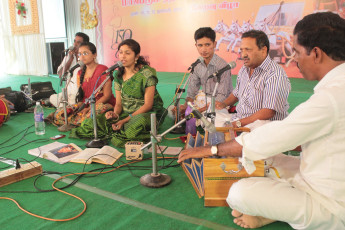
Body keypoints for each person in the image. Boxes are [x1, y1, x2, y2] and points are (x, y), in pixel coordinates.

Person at [178, 12, 345, 229]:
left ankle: (281, 209)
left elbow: (273, 123)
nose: (293, 59)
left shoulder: (330, 97)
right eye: (242, 49)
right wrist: (222, 110)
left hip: (331, 203)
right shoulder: (334, 89)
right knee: (270, 160)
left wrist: (212, 150)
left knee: (238, 192)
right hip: (318, 169)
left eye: (295, 52)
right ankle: (275, 208)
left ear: (316, 53)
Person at [70, 39, 166, 147]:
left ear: (137, 56)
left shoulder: (147, 74)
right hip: (125, 113)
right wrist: (115, 114)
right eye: (120, 52)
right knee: (93, 122)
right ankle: (119, 127)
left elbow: (148, 105)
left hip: (145, 114)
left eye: (127, 53)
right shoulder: (118, 75)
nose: (123, 56)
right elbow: (119, 104)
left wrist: (124, 120)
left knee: (135, 127)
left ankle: (123, 127)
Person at [215, 30, 291, 128]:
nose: (243, 55)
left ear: (263, 50)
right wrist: (223, 104)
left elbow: (268, 112)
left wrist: (237, 124)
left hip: (263, 126)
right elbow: (237, 93)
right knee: (210, 118)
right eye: (242, 50)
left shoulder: (275, 74)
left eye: (248, 50)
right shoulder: (244, 69)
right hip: (241, 120)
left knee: (220, 131)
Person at [171, 27, 233, 126]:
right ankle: (195, 119)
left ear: (214, 44)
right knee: (173, 111)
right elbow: (192, 90)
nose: (203, 49)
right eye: (200, 45)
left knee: (212, 120)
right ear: (196, 45)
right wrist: (186, 106)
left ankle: (198, 119)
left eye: (207, 45)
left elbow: (222, 96)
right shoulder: (197, 64)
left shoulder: (223, 66)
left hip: (220, 103)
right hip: (203, 99)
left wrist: (199, 110)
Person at [51, 42, 115, 126]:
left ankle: (80, 121)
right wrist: (79, 106)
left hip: (103, 104)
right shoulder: (79, 73)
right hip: (86, 104)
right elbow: (83, 96)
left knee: (89, 116)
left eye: (85, 53)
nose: (82, 57)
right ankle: (78, 121)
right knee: (60, 113)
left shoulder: (103, 70)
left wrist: (89, 108)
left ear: (94, 55)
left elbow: (107, 96)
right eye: (80, 54)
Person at [49, 32, 89, 108]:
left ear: (85, 44)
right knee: (52, 98)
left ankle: (65, 108)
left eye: (78, 42)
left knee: (71, 102)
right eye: (74, 41)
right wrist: (70, 59)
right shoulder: (69, 56)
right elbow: (61, 74)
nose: (75, 44)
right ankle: (66, 107)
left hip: (79, 92)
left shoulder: (87, 56)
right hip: (68, 91)